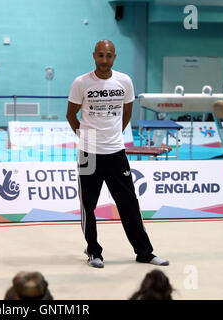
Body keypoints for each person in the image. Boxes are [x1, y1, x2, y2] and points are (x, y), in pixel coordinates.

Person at [66, 40, 169, 268]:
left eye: (109, 56)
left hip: (115, 151)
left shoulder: (124, 81)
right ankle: (94, 251)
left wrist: (113, 136)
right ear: (94, 56)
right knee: (88, 205)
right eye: (100, 55)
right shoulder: (81, 83)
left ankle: (144, 252)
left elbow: (126, 113)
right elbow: (71, 115)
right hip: (89, 153)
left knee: (129, 204)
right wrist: (87, 138)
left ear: (115, 57)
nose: (104, 60)